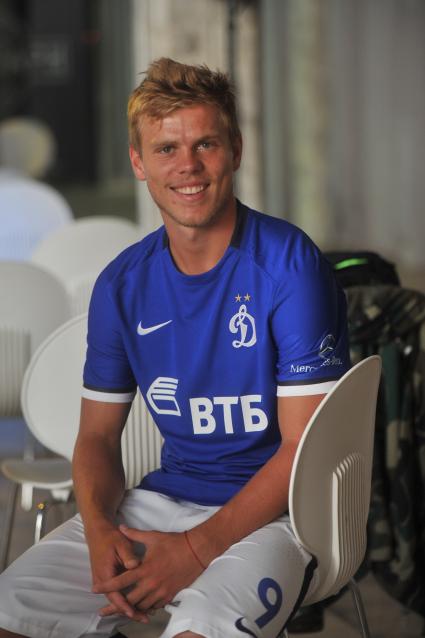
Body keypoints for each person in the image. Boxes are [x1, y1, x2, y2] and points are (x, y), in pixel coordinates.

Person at [0, 57, 350, 638]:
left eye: (205, 143)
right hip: (164, 500)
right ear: (138, 162)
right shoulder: (122, 284)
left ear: (235, 150)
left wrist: (194, 550)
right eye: (166, 149)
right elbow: (96, 438)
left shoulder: (291, 266)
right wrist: (100, 531)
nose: (188, 165)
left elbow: (302, 450)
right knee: (9, 612)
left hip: (283, 516)